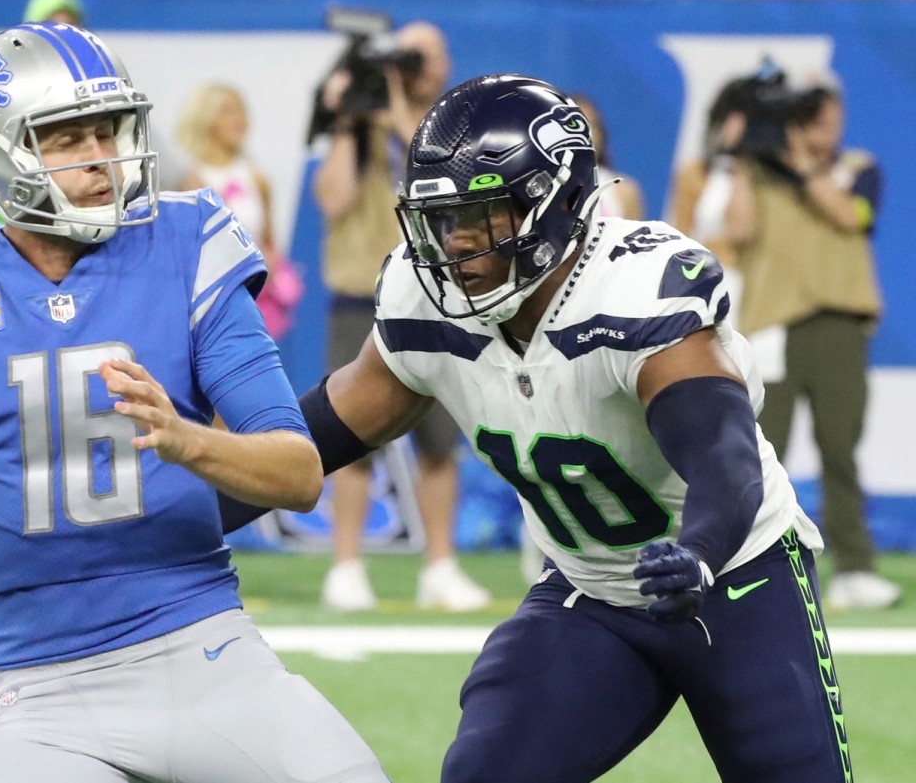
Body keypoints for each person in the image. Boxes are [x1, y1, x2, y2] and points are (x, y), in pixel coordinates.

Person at [0, 24, 388, 783]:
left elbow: (298, 473)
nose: (102, 158)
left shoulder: (188, 239)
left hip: (205, 649)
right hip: (37, 686)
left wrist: (186, 440)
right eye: (67, 137)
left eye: (109, 130)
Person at [223, 74, 852, 782]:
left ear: (552, 206)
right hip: (591, 594)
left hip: (736, 579)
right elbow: (313, 439)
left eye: (480, 215)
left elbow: (723, 455)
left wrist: (700, 552)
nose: (454, 244)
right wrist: (173, 503)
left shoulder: (635, 291)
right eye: (440, 218)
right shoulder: (424, 302)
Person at [312, 20, 489, 612]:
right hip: (360, 296)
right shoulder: (358, 130)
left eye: (426, 56)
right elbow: (332, 200)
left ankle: (439, 565)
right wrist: (345, 122)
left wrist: (391, 109)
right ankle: (345, 567)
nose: (416, 66)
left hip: (436, 294)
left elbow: (449, 180)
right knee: (349, 437)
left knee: (439, 442)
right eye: (408, 56)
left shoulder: (454, 123)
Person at [724, 81, 899, 610]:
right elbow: (739, 230)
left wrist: (800, 163)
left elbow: (852, 217)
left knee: (839, 449)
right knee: (759, 452)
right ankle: (748, 567)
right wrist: (741, 159)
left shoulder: (858, 167)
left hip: (838, 326)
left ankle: (854, 570)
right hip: (772, 327)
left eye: (825, 115)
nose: (820, 126)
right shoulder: (758, 172)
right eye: (807, 117)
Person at [177, 83, 303, 340]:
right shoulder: (189, 182)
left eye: (241, 111)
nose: (239, 120)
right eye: (227, 111)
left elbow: (270, 244)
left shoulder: (257, 179)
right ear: (206, 119)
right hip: (209, 303)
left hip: (254, 297)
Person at [571, 93, 645, 220]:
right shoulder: (538, 183)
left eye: (592, 126)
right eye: (575, 125)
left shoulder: (625, 192)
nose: (586, 134)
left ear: (602, 135)